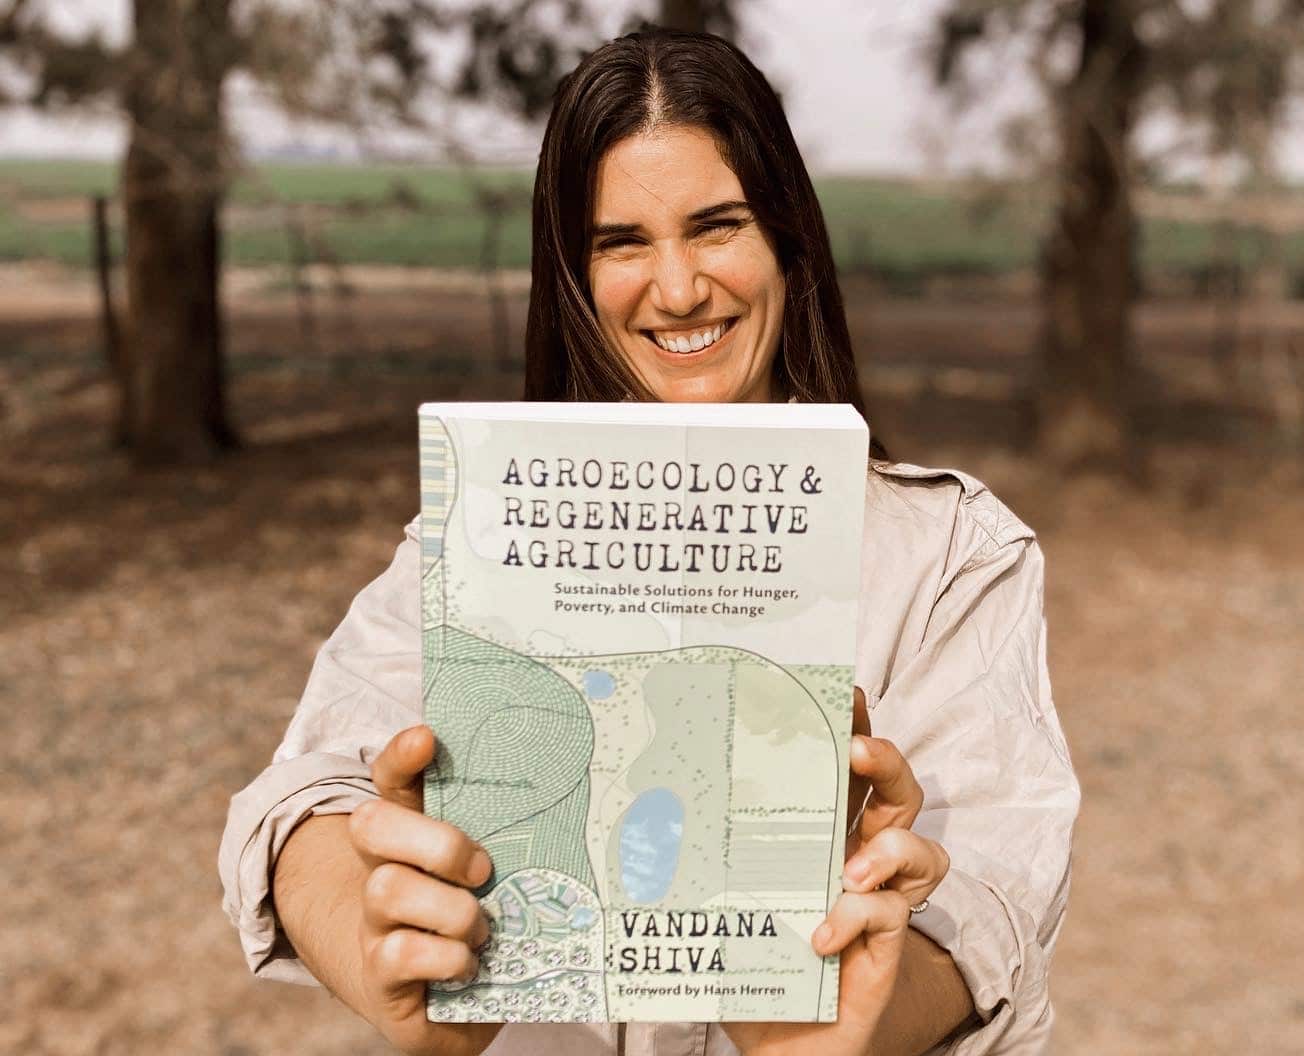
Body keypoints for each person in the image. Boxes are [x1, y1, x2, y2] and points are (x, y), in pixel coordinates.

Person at [219, 28, 1079, 1056]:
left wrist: (848, 1021)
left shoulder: (953, 557)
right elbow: (303, 792)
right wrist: (369, 933)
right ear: (573, 277)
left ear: (789, 244)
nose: (676, 291)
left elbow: (994, 896)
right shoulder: (488, 531)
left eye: (717, 227)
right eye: (622, 242)